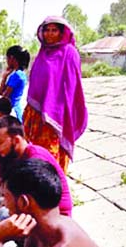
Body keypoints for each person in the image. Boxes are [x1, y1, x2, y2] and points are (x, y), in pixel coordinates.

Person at [0, 111, 73, 228]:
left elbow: (33, 203)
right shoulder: (7, 155)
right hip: (26, 208)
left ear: (16, 140)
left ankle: (30, 243)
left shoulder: (35, 157)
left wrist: (7, 204)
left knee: (5, 215)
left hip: (54, 216)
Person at [23, 16, 88, 173]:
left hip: (57, 114)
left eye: (54, 30)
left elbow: (73, 86)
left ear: (61, 33)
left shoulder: (70, 53)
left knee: (50, 158)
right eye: (47, 30)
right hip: (35, 113)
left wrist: (58, 110)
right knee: (32, 154)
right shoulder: (42, 54)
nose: (50, 34)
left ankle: (55, 190)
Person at [0, 46, 30, 122]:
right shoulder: (21, 74)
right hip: (17, 110)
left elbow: (4, 95)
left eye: (7, 58)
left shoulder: (16, 75)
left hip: (12, 111)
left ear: (12, 58)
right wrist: (5, 76)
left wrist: (4, 77)